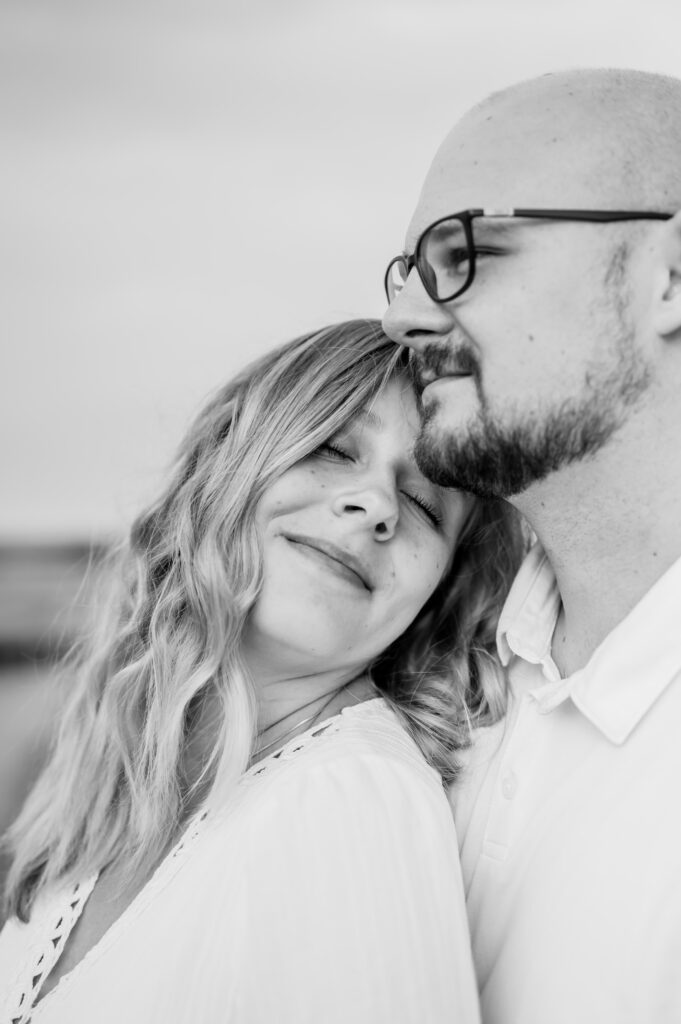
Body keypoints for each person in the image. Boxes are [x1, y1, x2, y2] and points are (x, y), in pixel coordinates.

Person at [0, 320, 521, 1024]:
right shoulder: (110, 787)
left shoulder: (349, 800)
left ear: (436, 596)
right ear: (230, 466)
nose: (376, 505)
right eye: (335, 449)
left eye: (427, 504)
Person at [382, 68, 681, 1023]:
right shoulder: (428, 678)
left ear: (669, 278)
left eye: (464, 252)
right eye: (409, 274)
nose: (405, 319)